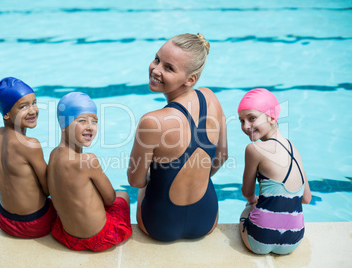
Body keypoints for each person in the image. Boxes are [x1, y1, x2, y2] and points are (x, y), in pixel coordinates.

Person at [127, 33, 228, 242]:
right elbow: (223, 156)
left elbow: (136, 181)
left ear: (191, 79)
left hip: (159, 225)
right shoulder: (211, 99)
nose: (156, 70)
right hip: (207, 218)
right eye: (157, 59)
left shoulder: (152, 121)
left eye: (169, 68)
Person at [48, 92, 132, 251]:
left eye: (95, 121)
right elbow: (110, 199)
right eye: (82, 120)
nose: (90, 126)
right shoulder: (87, 160)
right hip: (99, 238)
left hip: (66, 236)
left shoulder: (53, 155)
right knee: (123, 195)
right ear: (63, 123)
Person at [238, 88, 312, 254]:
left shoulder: (254, 149)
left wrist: (252, 201)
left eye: (252, 118)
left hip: (260, 239)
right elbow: (306, 198)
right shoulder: (294, 148)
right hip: (294, 240)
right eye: (241, 121)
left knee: (247, 209)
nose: (245, 126)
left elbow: (247, 192)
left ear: (272, 117)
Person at [0, 77, 56, 238]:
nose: (33, 110)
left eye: (34, 102)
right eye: (23, 106)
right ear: (6, 114)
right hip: (34, 224)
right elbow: (49, 189)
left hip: (4, 219)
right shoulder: (29, 144)